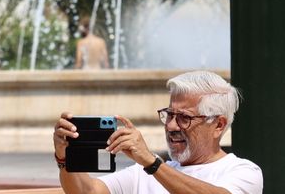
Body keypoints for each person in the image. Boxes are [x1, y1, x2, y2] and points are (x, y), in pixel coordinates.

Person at [52, 70, 263, 194]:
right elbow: (87, 191)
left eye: (184, 118)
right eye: (169, 115)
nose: (171, 126)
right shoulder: (144, 172)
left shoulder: (243, 171)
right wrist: (65, 156)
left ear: (218, 125)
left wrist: (152, 163)